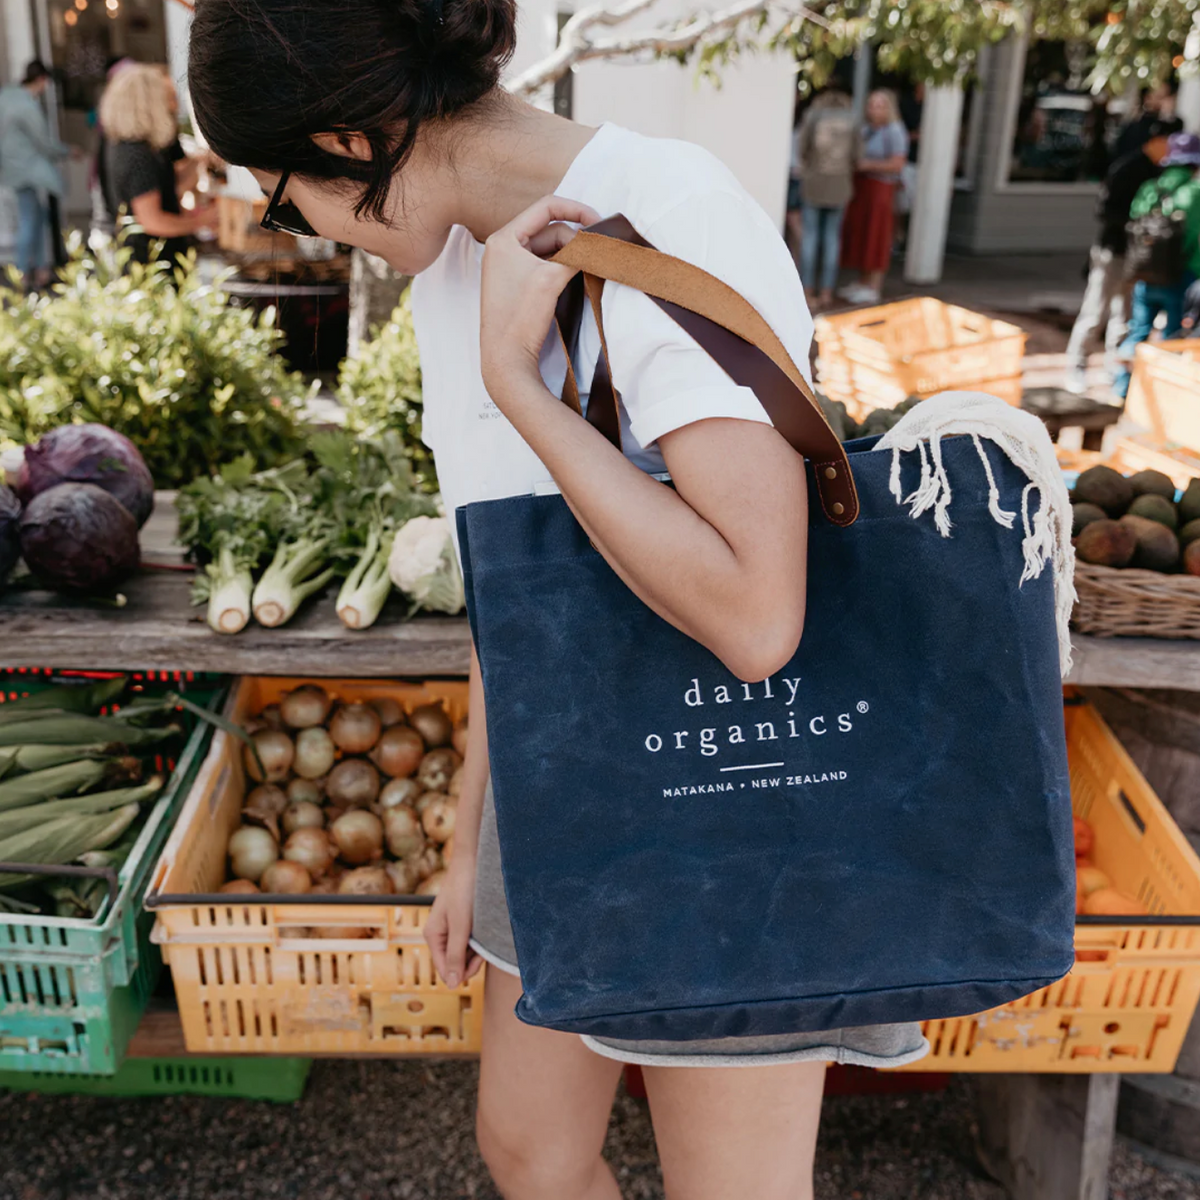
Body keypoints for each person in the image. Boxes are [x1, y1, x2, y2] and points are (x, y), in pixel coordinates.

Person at [188, 2, 928, 1197]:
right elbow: (513, 587)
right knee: (530, 1155)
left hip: (731, 797)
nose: (307, 233)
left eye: (283, 196)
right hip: (568, 787)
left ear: (349, 136)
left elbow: (756, 617)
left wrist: (521, 393)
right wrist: (472, 835)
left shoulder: (666, 216)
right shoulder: (468, 262)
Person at [1064, 123, 1174, 394]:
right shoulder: (1127, 168)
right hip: (1113, 251)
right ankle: (1075, 366)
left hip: (1138, 257)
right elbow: (1103, 210)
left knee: (1123, 315)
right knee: (1095, 311)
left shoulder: (1161, 172)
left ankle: (1111, 365)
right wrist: (1136, 225)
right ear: (1154, 141)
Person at [98, 64, 214, 266]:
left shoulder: (129, 146)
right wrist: (203, 221)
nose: (173, 106)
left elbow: (169, 190)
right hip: (152, 264)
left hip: (151, 260)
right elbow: (153, 221)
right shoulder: (137, 155)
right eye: (167, 98)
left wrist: (200, 160)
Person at [1114, 131, 1200, 398]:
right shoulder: (1194, 192)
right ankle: (1160, 398)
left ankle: (1120, 390)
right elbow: (1193, 236)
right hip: (1182, 276)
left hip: (1145, 272)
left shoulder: (1150, 188)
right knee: (1172, 338)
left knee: (1138, 329)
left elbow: (1135, 222)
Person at [0, 60, 68, 289]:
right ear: (42, 80)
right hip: (25, 170)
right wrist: (67, 150)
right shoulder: (26, 105)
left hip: (11, 168)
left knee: (36, 217)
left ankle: (40, 270)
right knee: (30, 221)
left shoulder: (7, 95)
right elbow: (44, 143)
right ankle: (21, 274)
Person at [839, 88, 908, 305]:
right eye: (871, 105)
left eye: (880, 105)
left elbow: (897, 164)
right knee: (862, 234)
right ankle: (862, 281)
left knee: (877, 235)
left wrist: (868, 164)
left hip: (881, 189)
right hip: (863, 187)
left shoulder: (895, 131)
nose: (874, 109)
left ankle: (874, 286)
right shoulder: (867, 130)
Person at [796, 82, 859, 310]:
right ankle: (826, 293)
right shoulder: (852, 119)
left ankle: (807, 291)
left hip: (814, 182)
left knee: (811, 238)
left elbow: (801, 148)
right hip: (840, 184)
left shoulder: (813, 116)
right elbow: (858, 155)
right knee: (832, 239)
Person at [1114, 79, 1182, 160]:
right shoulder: (1140, 126)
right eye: (1160, 97)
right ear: (1148, 98)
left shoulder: (1172, 123)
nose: (1165, 102)